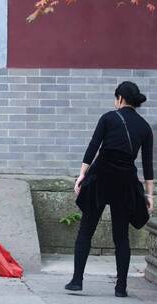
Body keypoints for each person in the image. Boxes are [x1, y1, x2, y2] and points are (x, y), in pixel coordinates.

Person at [66, 81, 154, 297]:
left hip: (101, 177)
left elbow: (93, 146)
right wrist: (149, 194)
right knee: (121, 236)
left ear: (120, 98)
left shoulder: (108, 117)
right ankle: (121, 288)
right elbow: (148, 164)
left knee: (86, 229)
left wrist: (82, 175)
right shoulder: (144, 127)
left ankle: (77, 281)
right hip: (125, 181)